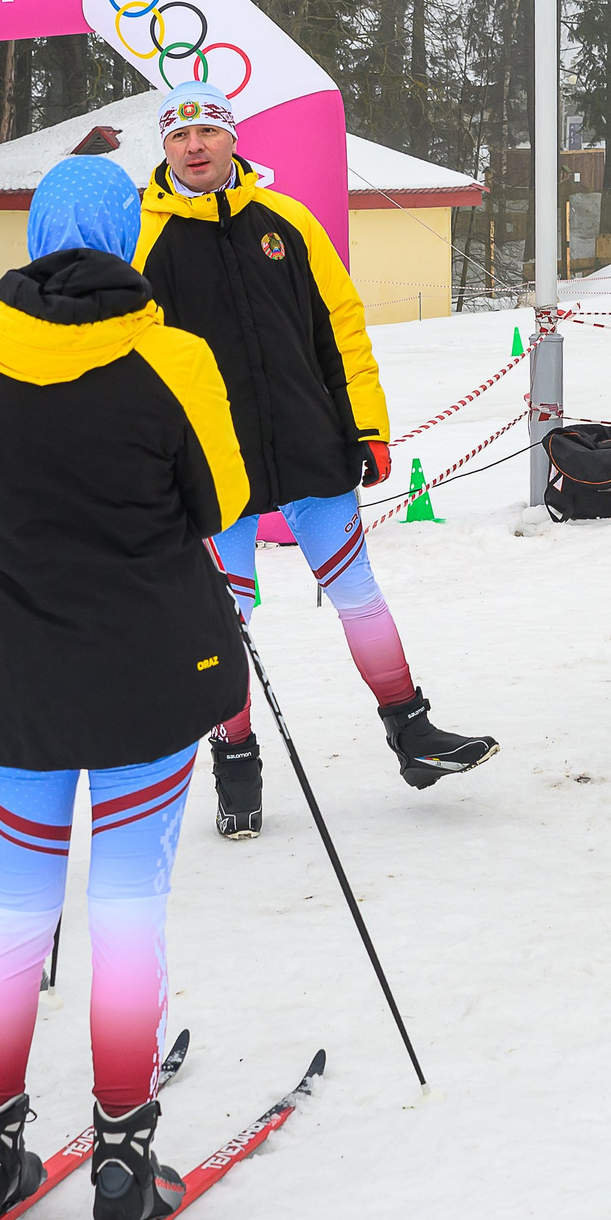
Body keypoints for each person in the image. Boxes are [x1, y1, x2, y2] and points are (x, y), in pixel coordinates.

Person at [0, 154, 249, 1220]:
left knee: (16, 915)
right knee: (123, 913)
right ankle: (121, 1157)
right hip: (141, 683)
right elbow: (227, 496)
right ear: (127, 241)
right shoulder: (170, 354)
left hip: (5, 680)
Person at [132, 78, 494, 837]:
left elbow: (342, 326)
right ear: (163, 148)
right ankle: (235, 763)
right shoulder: (143, 236)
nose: (193, 145)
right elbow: (136, 362)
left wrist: (366, 424)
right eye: (178, 135)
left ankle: (413, 733)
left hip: (308, 441)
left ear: (232, 137)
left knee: (357, 590)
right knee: (224, 617)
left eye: (206, 130)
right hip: (212, 466)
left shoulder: (286, 220)